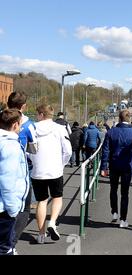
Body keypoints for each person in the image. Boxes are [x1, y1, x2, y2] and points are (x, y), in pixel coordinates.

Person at [30, 105, 72, 244]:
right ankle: (52, 223)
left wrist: (35, 161)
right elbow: (68, 151)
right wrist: (62, 164)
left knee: (41, 201)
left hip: (38, 172)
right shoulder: (60, 129)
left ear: (41, 114)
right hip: (55, 170)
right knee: (57, 197)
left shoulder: (32, 128)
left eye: (37, 114)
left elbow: (28, 150)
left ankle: (41, 235)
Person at [7, 92, 37, 252]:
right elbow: (34, 149)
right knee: (23, 209)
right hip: (20, 170)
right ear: (23, 106)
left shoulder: (2, 118)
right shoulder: (27, 123)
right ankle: (10, 245)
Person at [101, 110, 132, 228]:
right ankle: (123, 220)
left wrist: (104, 166)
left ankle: (114, 212)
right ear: (129, 119)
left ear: (119, 118)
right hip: (128, 166)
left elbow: (106, 150)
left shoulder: (111, 132)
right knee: (125, 193)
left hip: (114, 164)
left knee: (113, 189)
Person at [0, 109, 29, 255]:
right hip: (5, 208)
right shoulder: (11, 146)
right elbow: (7, 180)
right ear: (15, 124)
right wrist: (13, 210)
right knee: (5, 248)